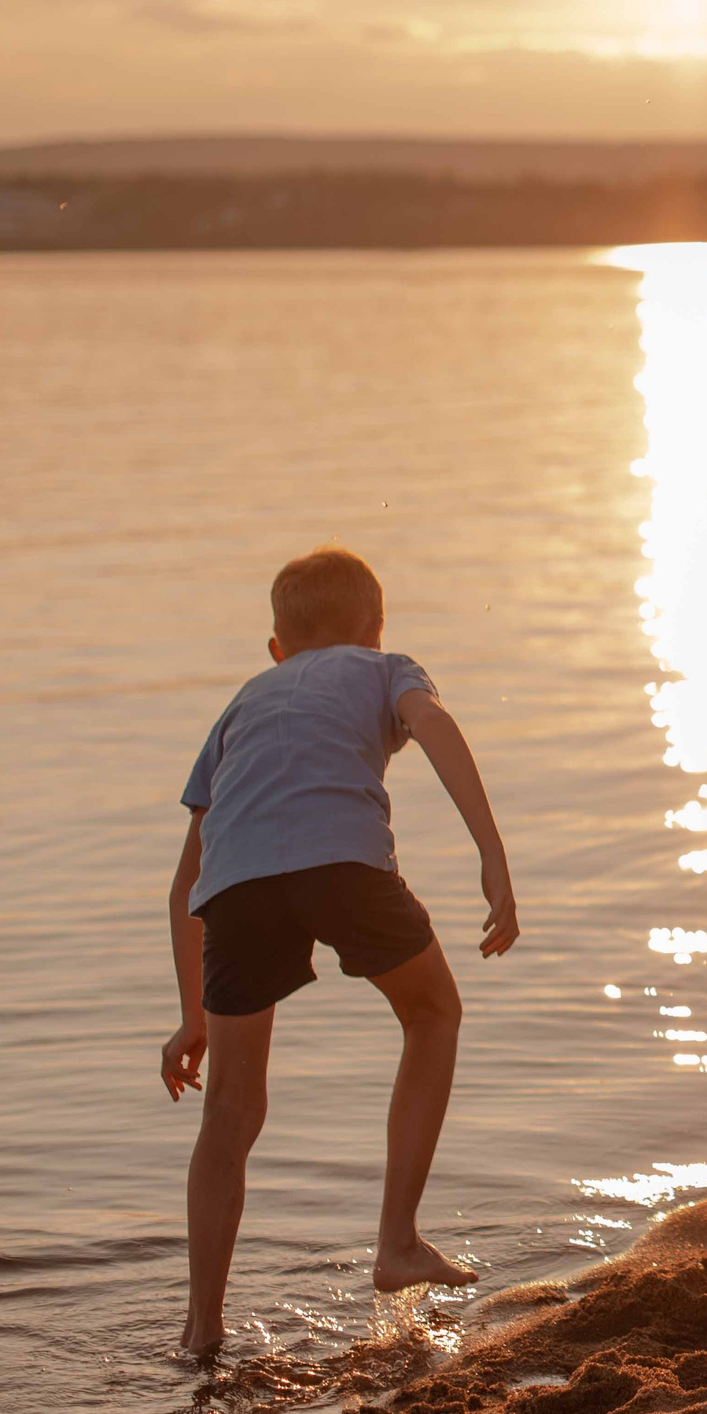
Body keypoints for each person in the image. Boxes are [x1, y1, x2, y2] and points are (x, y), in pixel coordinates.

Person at [159, 547, 518, 1355]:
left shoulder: (240, 705)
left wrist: (192, 1016)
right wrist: (491, 855)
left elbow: (187, 879)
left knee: (232, 1109)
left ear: (277, 647)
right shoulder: (385, 667)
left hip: (236, 887)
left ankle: (201, 1326)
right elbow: (436, 726)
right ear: (373, 628)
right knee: (433, 1012)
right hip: (343, 865)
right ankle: (395, 1241)